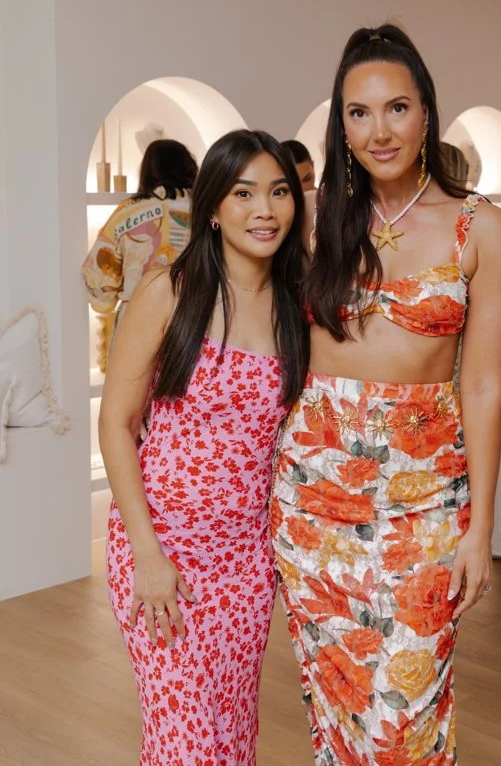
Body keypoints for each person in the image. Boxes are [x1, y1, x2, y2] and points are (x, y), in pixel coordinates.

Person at [271, 25, 501, 764]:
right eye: (358, 112)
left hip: (425, 500)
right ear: (340, 125)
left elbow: (480, 383)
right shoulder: (311, 223)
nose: (379, 130)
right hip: (312, 497)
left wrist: (481, 529)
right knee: (337, 706)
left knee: (404, 715)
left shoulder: (484, 228)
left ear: (426, 114)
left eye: (397, 108)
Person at [100, 129, 309, 765]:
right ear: (213, 206)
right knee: (182, 740)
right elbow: (115, 423)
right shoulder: (170, 292)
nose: (264, 210)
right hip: (162, 549)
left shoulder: (298, 309)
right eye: (243, 193)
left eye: (278, 192)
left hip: (247, 559)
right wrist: (148, 555)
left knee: (231, 730)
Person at [82, 139, 198, 348]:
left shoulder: (128, 212)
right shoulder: (213, 213)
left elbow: (99, 282)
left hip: (138, 327)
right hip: (199, 327)